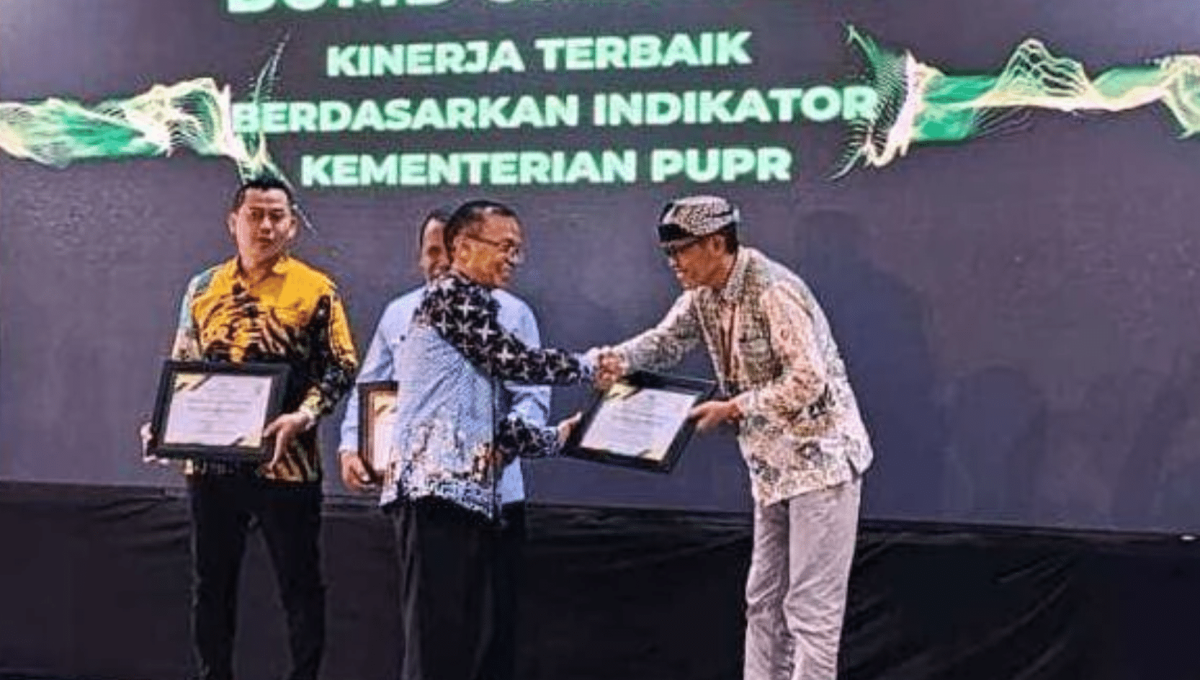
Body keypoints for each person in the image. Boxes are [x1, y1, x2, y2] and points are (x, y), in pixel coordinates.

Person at [594, 195, 873, 680]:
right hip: (770, 466)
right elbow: (665, 341)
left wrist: (736, 407)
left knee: (811, 608)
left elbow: (809, 380)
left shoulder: (773, 290)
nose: (673, 262)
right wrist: (617, 360)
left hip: (821, 463)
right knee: (763, 599)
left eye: (681, 250)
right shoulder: (705, 294)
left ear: (716, 243)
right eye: (669, 252)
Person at [153, 176, 358, 680]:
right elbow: (185, 362)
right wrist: (163, 425)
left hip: (288, 464)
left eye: (276, 216)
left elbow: (341, 366)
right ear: (233, 222)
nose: (265, 226)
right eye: (255, 215)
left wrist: (305, 414)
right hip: (210, 465)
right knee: (211, 585)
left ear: (292, 226)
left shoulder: (316, 288)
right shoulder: (202, 288)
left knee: (300, 584)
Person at [337, 206, 548, 680]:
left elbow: (532, 397)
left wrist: (506, 444)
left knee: (492, 633)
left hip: (498, 496)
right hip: (426, 498)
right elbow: (372, 390)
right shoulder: (400, 313)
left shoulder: (513, 313)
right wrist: (352, 447)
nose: (441, 262)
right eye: (432, 252)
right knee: (431, 633)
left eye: (448, 251)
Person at [384, 199, 591, 680]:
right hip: (433, 497)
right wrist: (591, 365)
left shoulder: (481, 309)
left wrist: (558, 437)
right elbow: (513, 360)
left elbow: (493, 425)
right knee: (436, 649)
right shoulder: (448, 297)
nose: (513, 259)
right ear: (462, 247)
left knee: (469, 646)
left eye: (518, 250)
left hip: (473, 499)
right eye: (505, 247)